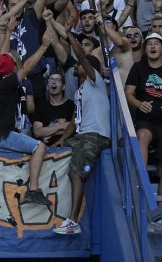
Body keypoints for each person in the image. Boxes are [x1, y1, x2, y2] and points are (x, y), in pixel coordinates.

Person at [0, 27, 56, 206]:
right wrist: (44, 47)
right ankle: (33, 189)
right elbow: (27, 66)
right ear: (10, 70)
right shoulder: (7, 83)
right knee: (39, 147)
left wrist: (7, 32)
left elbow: (3, 55)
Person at [52, 26, 111, 235]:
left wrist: (70, 35)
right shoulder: (80, 91)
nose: (77, 66)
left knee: (74, 172)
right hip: (82, 134)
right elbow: (73, 122)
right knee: (54, 152)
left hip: (96, 136)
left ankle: (72, 221)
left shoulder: (96, 82)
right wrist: (62, 140)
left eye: (80, 64)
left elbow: (80, 54)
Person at [125, 32, 162, 233]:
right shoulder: (138, 68)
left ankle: (159, 216)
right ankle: (142, 180)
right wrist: (138, 103)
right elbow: (128, 93)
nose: (153, 46)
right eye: (149, 43)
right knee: (142, 135)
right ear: (145, 49)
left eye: (157, 43)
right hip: (146, 120)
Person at [32, 72, 75, 146]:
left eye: (58, 80)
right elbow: (37, 132)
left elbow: (75, 128)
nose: (54, 82)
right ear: (47, 87)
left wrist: (49, 133)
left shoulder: (72, 105)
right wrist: (63, 126)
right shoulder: (41, 108)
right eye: (51, 80)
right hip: (48, 150)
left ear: (63, 86)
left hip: (68, 147)